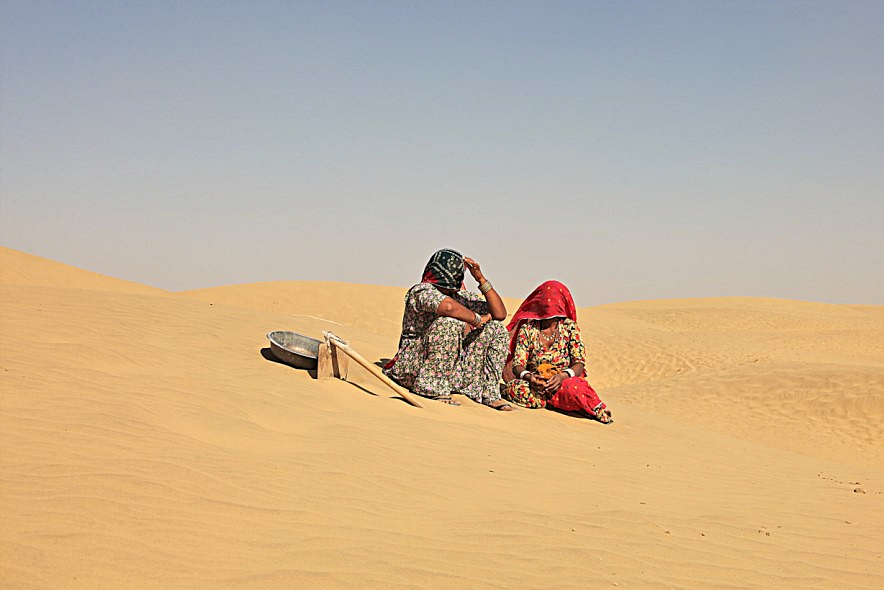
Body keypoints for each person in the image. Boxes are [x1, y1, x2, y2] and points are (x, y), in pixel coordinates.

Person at [384, 248, 513, 410]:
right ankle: (431, 387)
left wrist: (480, 279)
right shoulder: (422, 291)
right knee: (450, 322)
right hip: (415, 368)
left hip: (452, 370)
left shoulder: (459, 297)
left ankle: (489, 393)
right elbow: (449, 308)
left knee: (497, 329)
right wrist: (477, 319)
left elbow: (499, 314)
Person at [502, 280, 613, 423]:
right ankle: (556, 402)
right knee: (516, 389)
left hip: (563, 381)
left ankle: (595, 409)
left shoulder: (569, 328)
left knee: (575, 389)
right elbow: (518, 365)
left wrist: (561, 377)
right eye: (546, 301)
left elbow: (579, 363)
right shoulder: (528, 329)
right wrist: (530, 378)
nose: (549, 305)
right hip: (536, 384)